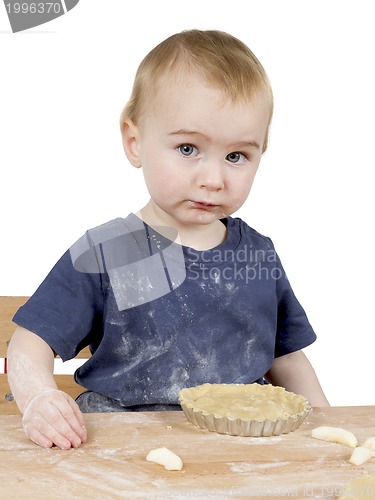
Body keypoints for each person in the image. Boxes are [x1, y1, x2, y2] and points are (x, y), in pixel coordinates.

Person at [7, 29, 329, 450]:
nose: (213, 179)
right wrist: (39, 398)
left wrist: (330, 427)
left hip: (236, 449)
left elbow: (284, 356)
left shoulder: (258, 254)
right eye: (188, 148)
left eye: (237, 156)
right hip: (119, 445)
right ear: (135, 141)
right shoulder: (108, 252)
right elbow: (29, 344)